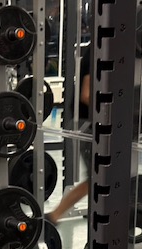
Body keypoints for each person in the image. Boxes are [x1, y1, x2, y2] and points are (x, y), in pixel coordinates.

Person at [45, 47, 92, 224]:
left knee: (101, 179)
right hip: (89, 123)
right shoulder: (98, 52)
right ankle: (54, 216)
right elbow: (86, 95)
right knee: (97, 179)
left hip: (87, 121)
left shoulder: (97, 50)